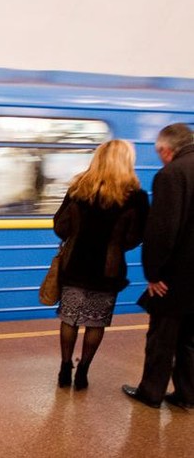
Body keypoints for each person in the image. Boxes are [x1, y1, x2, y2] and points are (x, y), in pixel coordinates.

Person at [52, 140, 149, 390]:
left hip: (75, 265)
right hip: (108, 269)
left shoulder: (78, 188)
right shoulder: (135, 196)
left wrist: (76, 236)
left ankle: (65, 369)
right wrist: (116, 246)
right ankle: (82, 373)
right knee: (96, 321)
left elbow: (60, 226)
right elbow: (137, 235)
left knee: (70, 319)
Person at [123, 123, 194, 409]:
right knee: (190, 338)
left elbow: (163, 229)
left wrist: (153, 273)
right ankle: (187, 394)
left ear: (167, 150)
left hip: (176, 276)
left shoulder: (172, 174)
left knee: (162, 336)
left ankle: (151, 392)